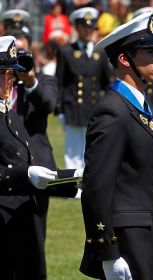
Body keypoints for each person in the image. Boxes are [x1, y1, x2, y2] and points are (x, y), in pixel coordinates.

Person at [80, 13, 153, 280]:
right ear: (124, 59)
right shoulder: (112, 111)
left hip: (147, 234)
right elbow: (96, 187)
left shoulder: (138, 103)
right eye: (150, 51)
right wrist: (108, 253)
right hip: (127, 240)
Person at [0, 35, 80, 280]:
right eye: (7, 72)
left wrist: (71, 180)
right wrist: (26, 175)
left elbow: (27, 169)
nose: (14, 77)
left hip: (19, 220)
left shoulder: (10, 116)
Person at [4, 29, 59, 280]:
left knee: (33, 250)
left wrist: (30, 81)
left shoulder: (42, 81)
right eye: (8, 70)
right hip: (7, 187)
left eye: (23, 54)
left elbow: (48, 103)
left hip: (36, 177)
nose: (13, 75)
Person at [55, 7, 110, 175]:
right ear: (76, 28)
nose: (88, 30)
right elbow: (59, 82)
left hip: (93, 108)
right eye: (84, 27)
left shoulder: (99, 53)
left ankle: (88, 184)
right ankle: (73, 186)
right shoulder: (66, 51)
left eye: (91, 27)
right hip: (73, 107)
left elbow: (105, 84)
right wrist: (59, 109)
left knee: (91, 149)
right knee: (73, 150)